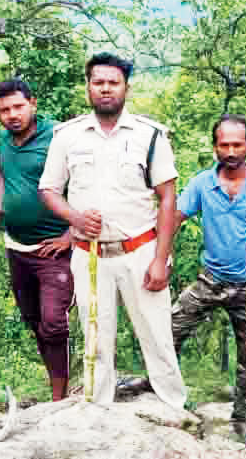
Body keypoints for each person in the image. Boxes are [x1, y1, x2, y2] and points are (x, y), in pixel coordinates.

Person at [38, 52, 187, 409]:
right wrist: (74, 218)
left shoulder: (150, 136)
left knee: (156, 335)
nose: (106, 89)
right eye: (98, 82)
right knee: (96, 338)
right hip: (89, 255)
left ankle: (173, 410)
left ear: (126, 88)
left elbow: (168, 199)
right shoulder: (67, 136)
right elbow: (48, 190)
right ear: (88, 86)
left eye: (113, 83)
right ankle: (97, 410)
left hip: (140, 251)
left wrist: (160, 259)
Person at [169, 114, 246, 439]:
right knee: (169, 329)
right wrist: (164, 254)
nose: (231, 150)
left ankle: (243, 420)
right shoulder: (202, 183)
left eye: (238, 144)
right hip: (211, 279)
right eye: (225, 144)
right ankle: (162, 392)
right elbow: (175, 216)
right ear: (215, 147)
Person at [0, 78, 74, 401]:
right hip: (16, 247)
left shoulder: (58, 136)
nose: (12, 115)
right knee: (35, 320)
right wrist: (0, 201)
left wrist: (72, 233)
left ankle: (59, 400)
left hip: (54, 248)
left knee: (54, 322)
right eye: (4, 110)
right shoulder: (2, 138)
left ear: (33, 104)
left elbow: (86, 184)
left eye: (18, 107)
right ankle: (59, 387)